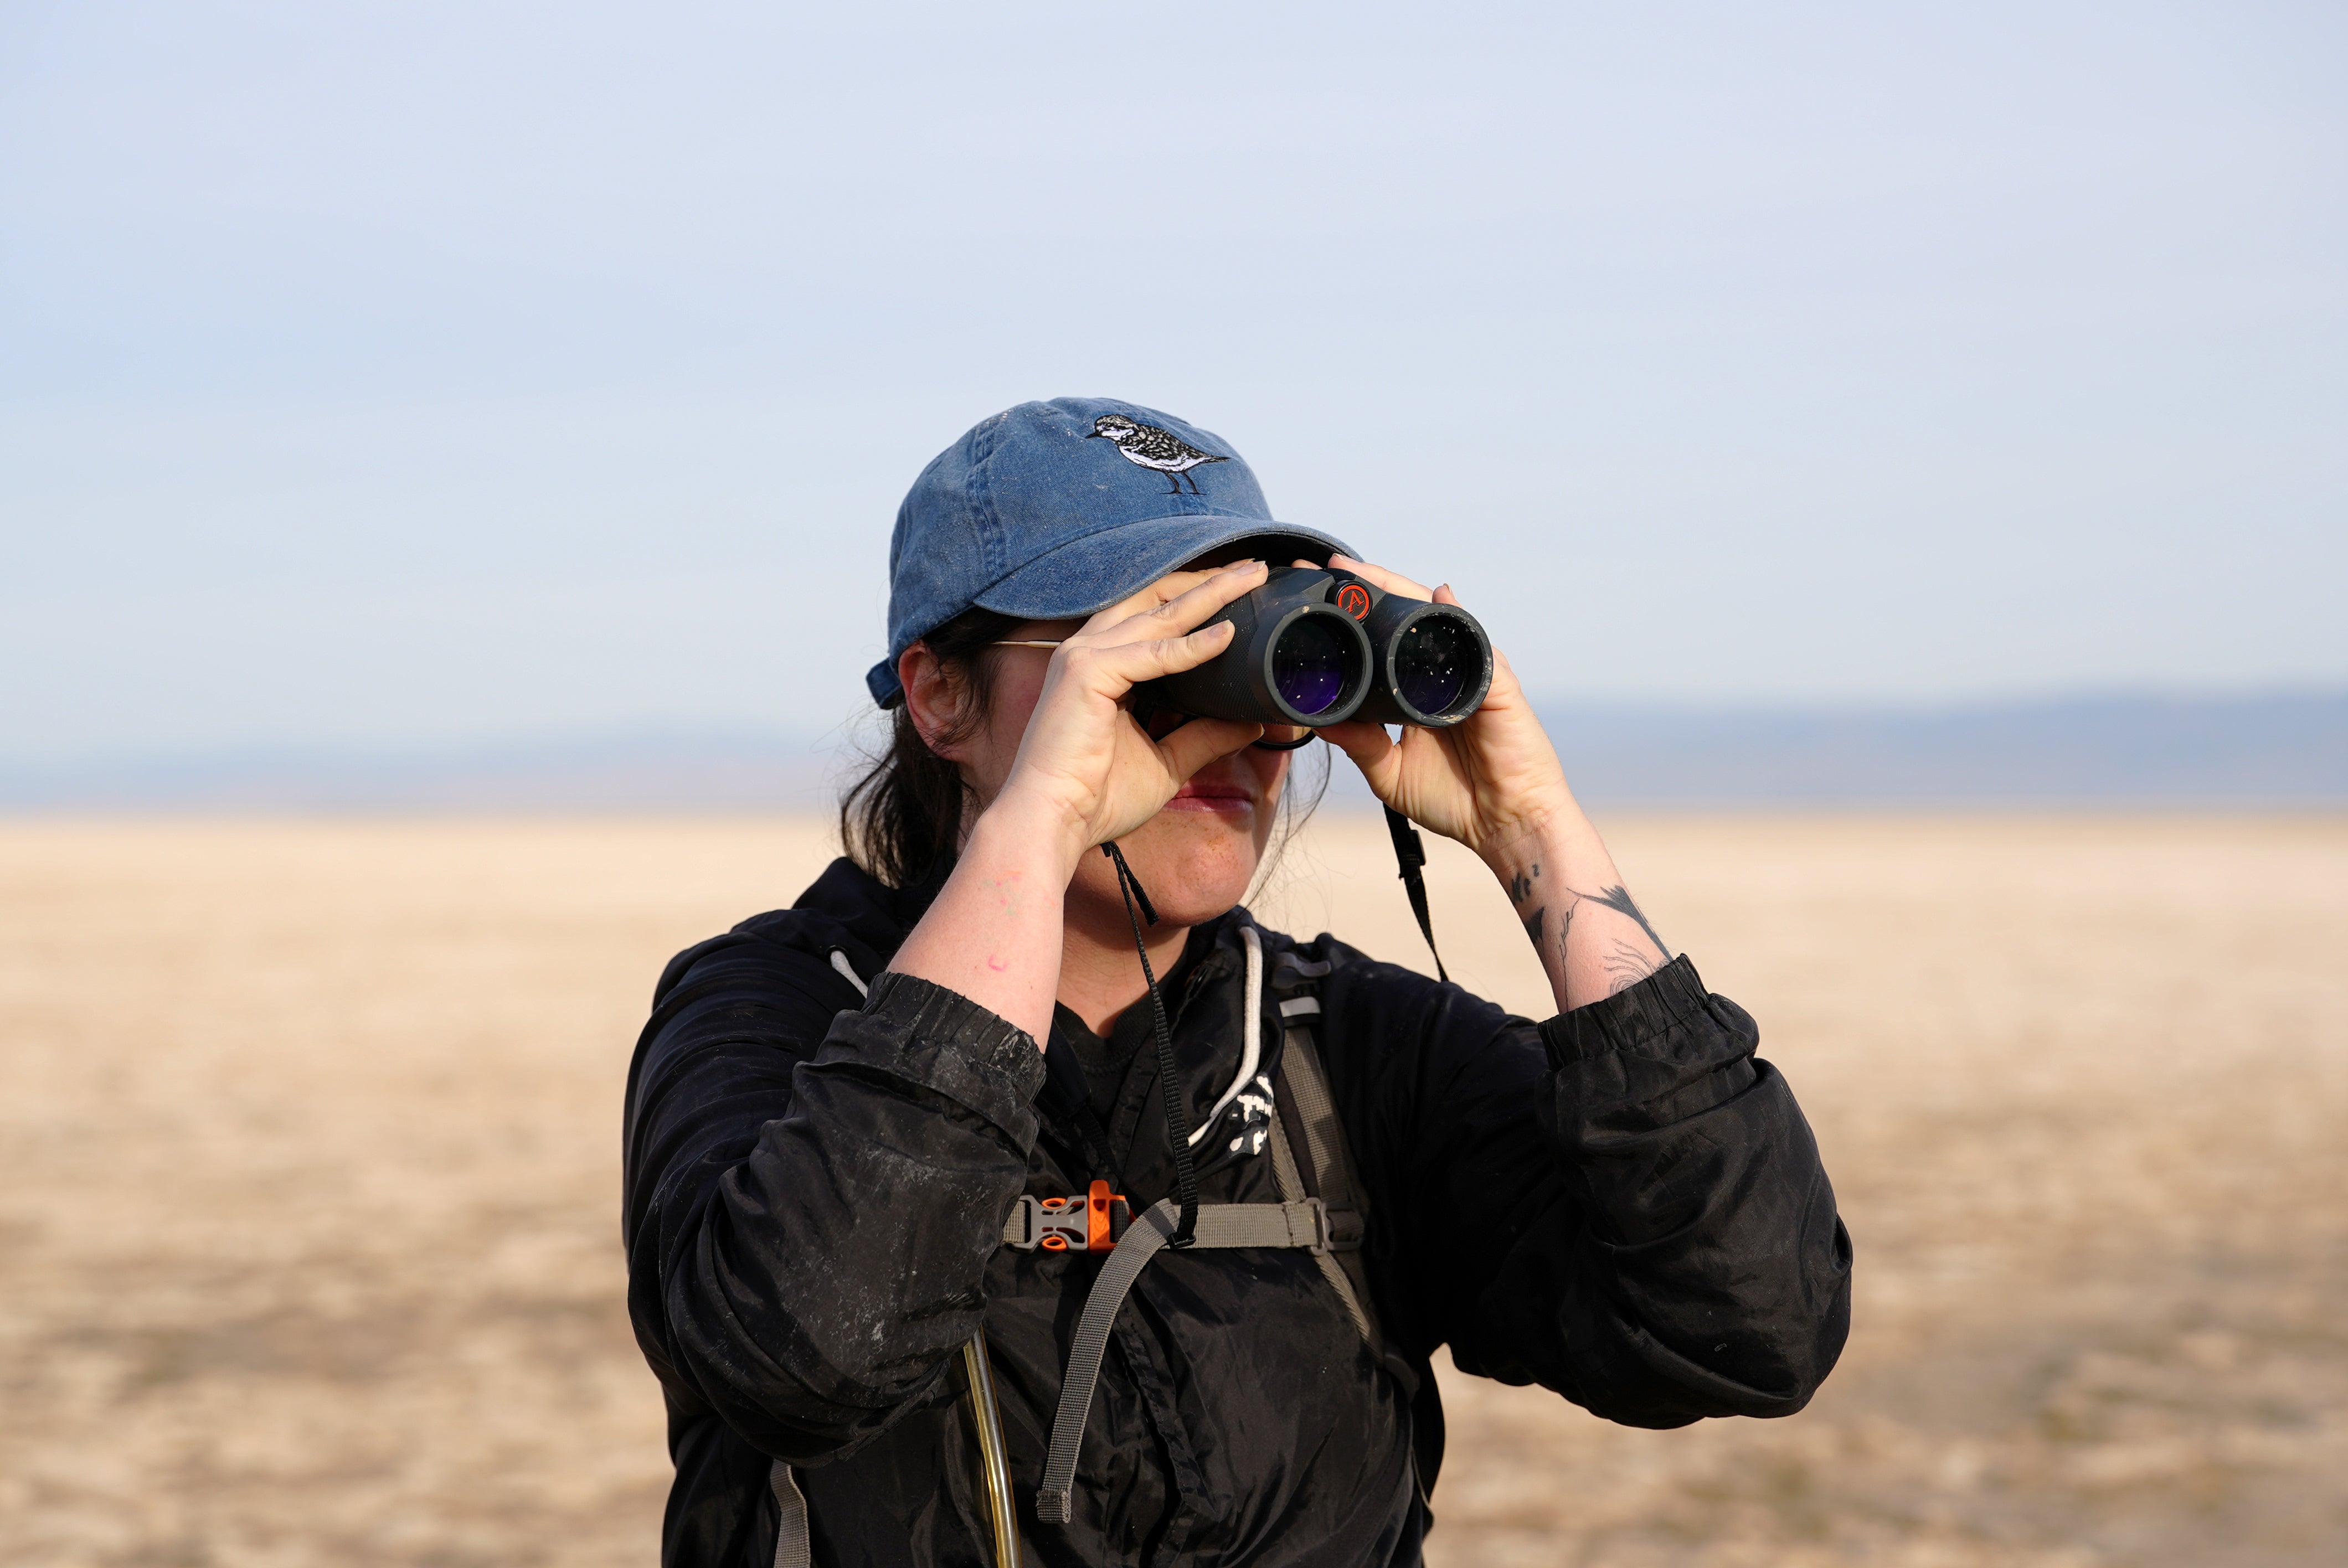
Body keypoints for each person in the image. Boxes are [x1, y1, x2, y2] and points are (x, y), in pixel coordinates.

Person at [622, 398, 1852, 1568]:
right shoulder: (775, 1021)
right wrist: (1037, 825)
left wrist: (1532, 827)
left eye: (1260, 646)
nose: (1240, 726)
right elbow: (802, 1352)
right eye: (1150, 652)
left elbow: (1745, 1326)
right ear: (940, 694)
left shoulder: (1355, 1051)